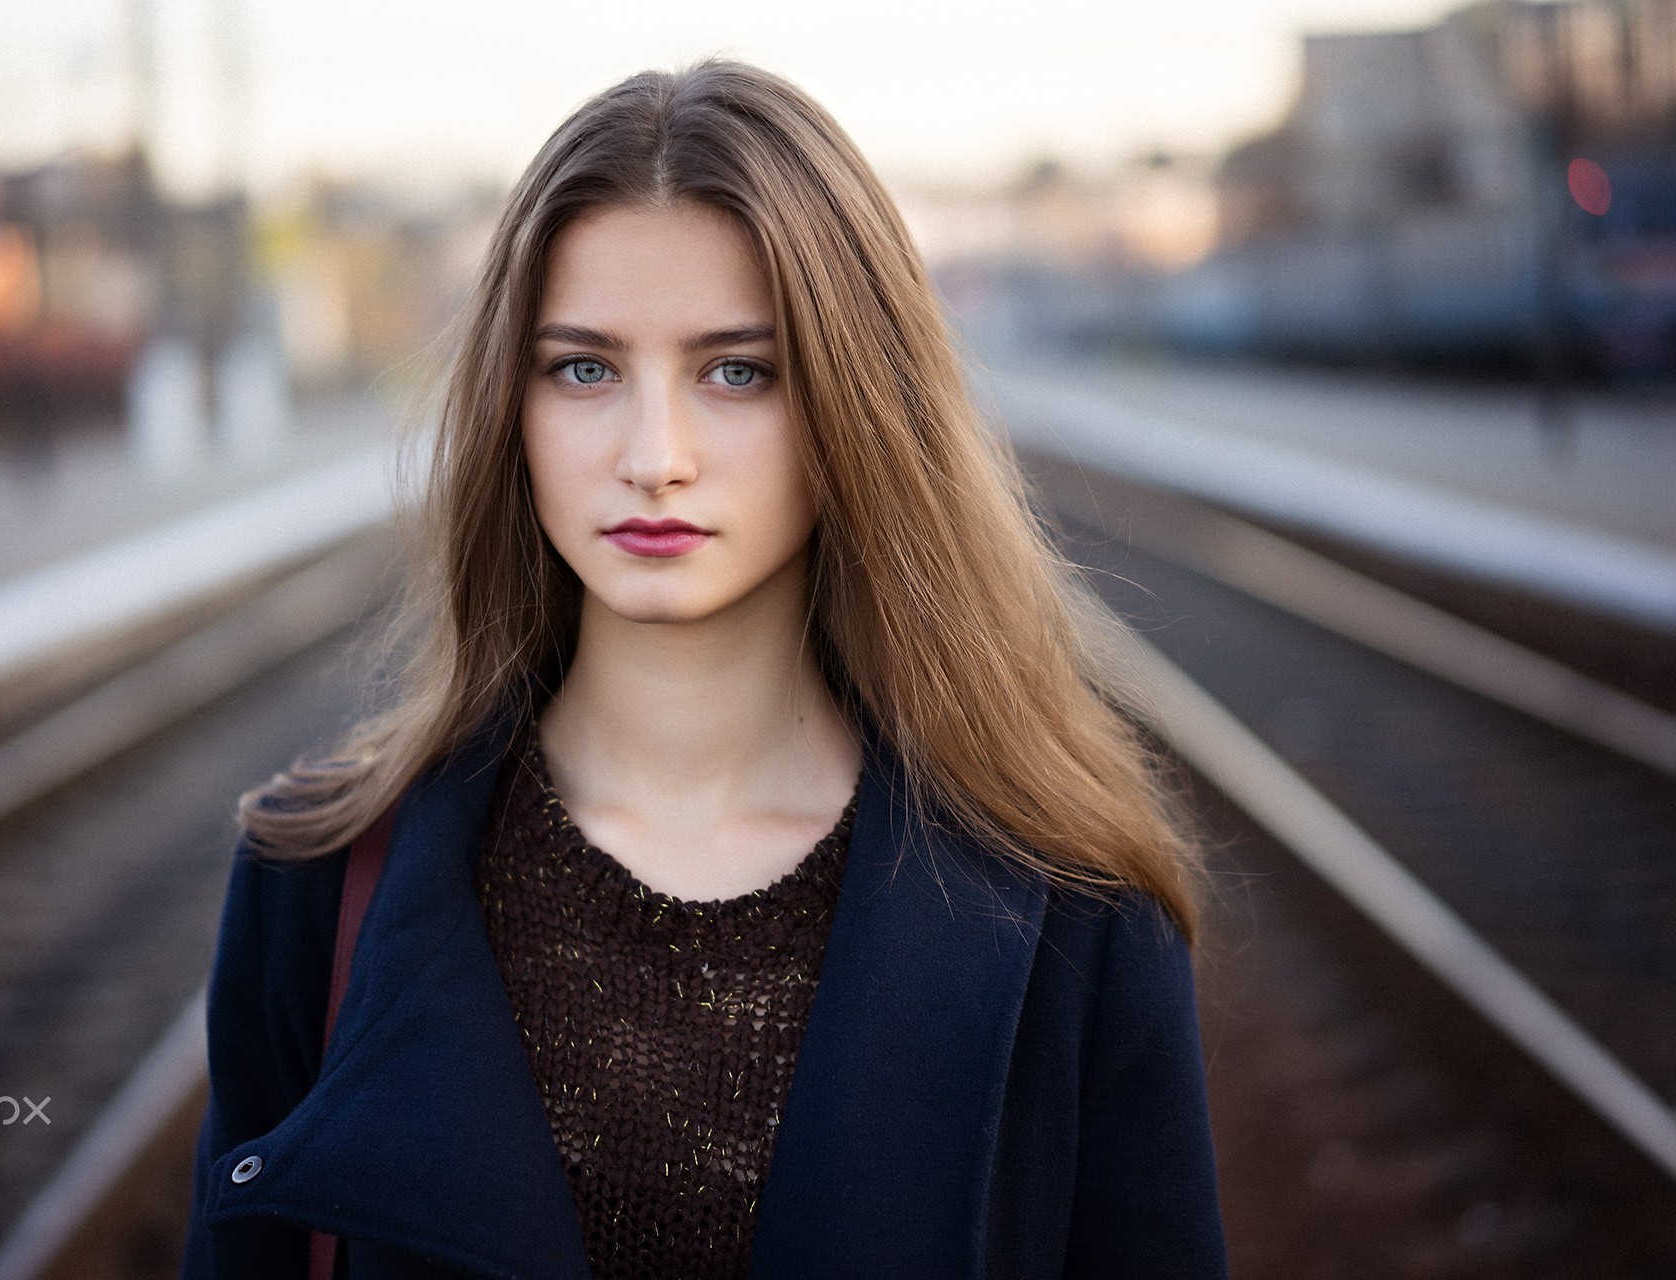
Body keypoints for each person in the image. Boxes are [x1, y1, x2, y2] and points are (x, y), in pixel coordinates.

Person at [183, 60, 1228, 1280]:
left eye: (738, 369)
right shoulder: (316, 882)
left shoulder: (1074, 917)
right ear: (509, 408)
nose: (655, 455)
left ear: (856, 398)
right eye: (585, 367)